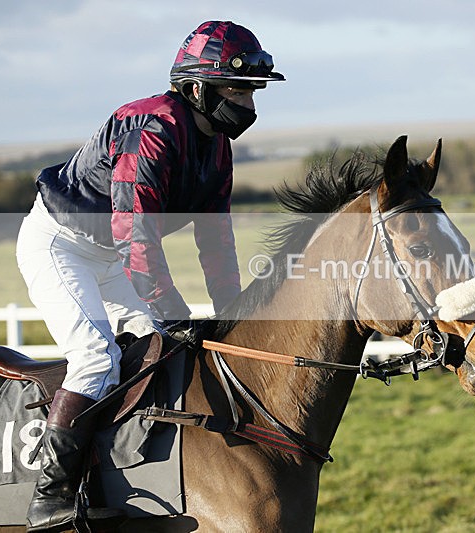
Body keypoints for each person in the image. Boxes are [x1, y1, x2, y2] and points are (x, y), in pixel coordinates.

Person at [15, 20, 284, 532]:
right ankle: (50, 498)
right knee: (95, 359)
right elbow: (134, 235)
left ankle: (118, 474)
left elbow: (217, 242)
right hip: (61, 245)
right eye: (237, 90)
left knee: (160, 349)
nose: (249, 104)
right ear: (198, 89)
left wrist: (232, 315)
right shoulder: (153, 127)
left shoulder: (217, 147)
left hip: (112, 255)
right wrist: (173, 310)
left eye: (252, 91)